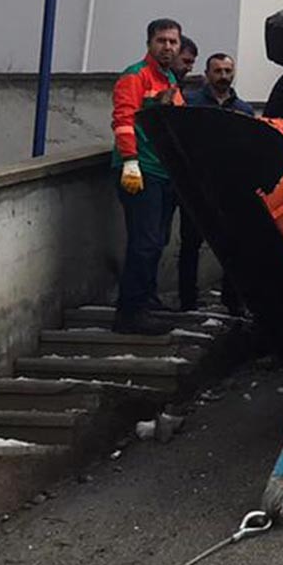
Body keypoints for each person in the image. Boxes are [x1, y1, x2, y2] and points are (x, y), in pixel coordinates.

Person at [114, 18, 184, 335]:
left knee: (157, 241)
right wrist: (130, 161)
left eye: (172, 41)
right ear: (149, 43)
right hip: (141, 170)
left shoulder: (169, 79)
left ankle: (148, 301)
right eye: (162, 41)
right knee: (144, 242)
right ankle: (130, 312)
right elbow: (124, 120)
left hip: (162, 170)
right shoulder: (135, 76)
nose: (167, 46)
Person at [178, 51, 256, 314]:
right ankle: (187, 299)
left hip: (230, 187)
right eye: (218, 71)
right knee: (191, 243)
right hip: (196, 184)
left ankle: (232, 300)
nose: (224, 76)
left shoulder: (243, 109)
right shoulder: (191, 104)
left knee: (234, 245)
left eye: (228, 71)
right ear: (207, 74)